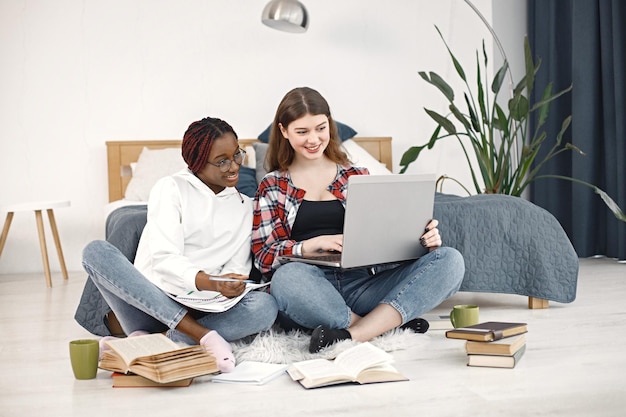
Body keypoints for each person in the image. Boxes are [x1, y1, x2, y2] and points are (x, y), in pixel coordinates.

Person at [251, 87, 465, 353]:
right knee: (287, 278)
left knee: (450, 260)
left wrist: (422, 241)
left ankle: (349, 335)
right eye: (302, 132)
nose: (314, 139)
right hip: (310, 290)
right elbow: (263, 258)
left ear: (329, 123)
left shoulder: (357, 176)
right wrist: (308, 246)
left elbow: (386, 243)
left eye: (320, 128)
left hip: (362, 284)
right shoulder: (273, 185)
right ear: (283, 131)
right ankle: (377, 326)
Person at [82, 117, 278, 372]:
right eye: (222, 161)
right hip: (152, 304)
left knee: (265, 308)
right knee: (95, 251)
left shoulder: (245, 206)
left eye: (237, 155)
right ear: (196, 163)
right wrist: (209, 281)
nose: (234, 167)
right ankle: (203, 337)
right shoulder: (170, 188)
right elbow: (164, 260)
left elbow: (236, 265)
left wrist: (231, 285)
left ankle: (158, 343)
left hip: (205, 306)